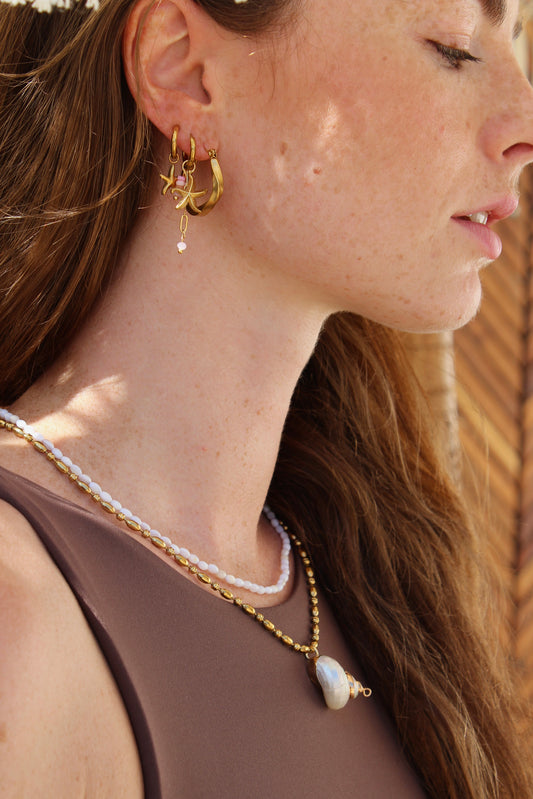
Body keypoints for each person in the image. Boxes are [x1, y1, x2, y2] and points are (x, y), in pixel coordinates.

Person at [0, 0, 532, 795]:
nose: (523, 123)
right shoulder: (17, 616)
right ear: (186, 71)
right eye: (452, 45)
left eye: (519, 42)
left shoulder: (375, 574)